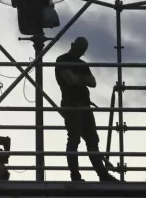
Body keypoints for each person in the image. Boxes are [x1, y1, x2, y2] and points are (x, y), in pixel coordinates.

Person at [55, 36, 117, 182]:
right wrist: (81, 79)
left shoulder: (80, 64)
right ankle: (76, 176)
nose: (80, 52)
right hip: (72, 105)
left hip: (84, 106)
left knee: (92, 140)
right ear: (73, 46)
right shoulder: (62, 60)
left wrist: (78, 78)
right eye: (79, 48)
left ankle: (102, 175)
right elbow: (71, 80)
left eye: (82, 49)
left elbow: (92, 82)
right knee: (74, 140)